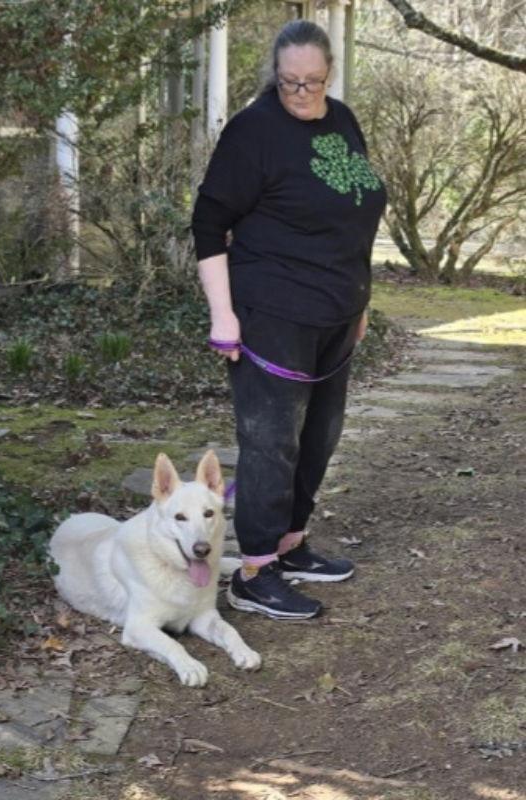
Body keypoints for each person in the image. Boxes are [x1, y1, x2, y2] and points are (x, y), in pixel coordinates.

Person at [191, 19, 387, 621]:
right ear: (275, 76)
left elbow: (356, 219)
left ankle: (289, 545)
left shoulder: (344, 120)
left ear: (330, 73)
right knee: (271, 442)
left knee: (320, 437)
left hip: (336, 311)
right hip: (271, 311)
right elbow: (207, 225)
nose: (301, 94)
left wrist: (362, 303)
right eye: (289, 83)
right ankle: (253, 573)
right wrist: (223, 317)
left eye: (313, 82)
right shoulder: (254, 133)